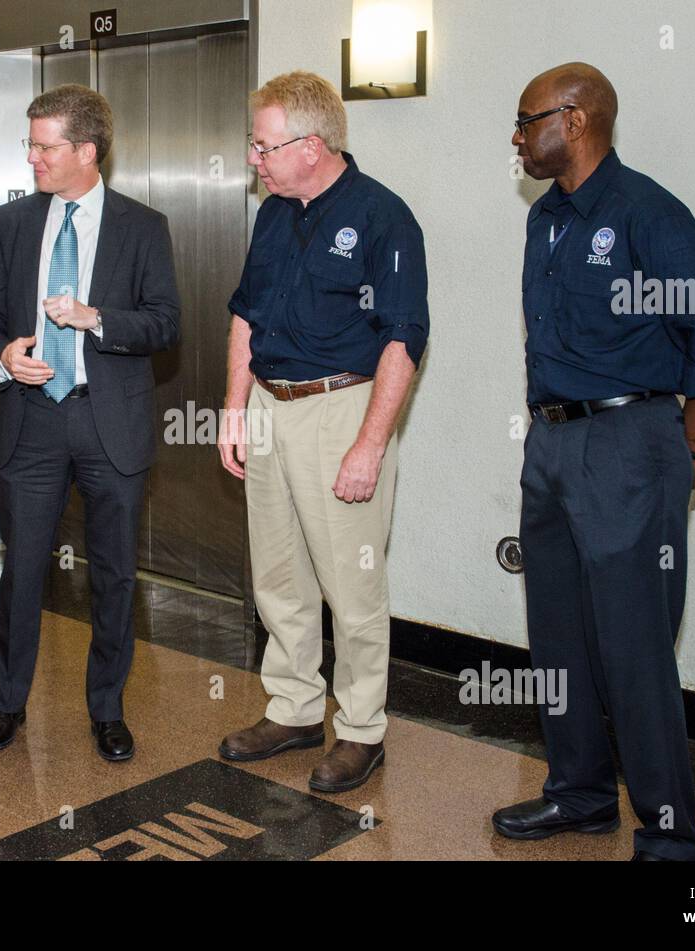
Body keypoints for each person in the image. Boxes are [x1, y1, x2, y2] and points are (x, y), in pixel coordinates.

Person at [492, 63, 695, 860]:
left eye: (527, 119)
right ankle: (580, 794)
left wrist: (688, 443)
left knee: (636, 648)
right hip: (552, 442)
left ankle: (670, 835)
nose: (517, 136)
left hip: (629, 441)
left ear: (574, 119)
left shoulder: (647, 215)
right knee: (558, 635)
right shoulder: (548, 221)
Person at [217, 71, 428, 793]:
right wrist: (234, 404)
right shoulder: (274, 214)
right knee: (279, 575)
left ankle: (362, 729)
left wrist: (369, 444)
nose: (254, 158)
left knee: (352, 583)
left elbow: (404, 337)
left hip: (344, 409)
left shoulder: (382, 218)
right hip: (272, 406)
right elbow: (245, 311)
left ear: (311, 146)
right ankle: (296, 706)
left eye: (264, 144)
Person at [0, 84, 180, 762]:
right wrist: (3, 352)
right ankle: (7, 702)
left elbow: (165, 322)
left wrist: (96, 319)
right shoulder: (13, 223)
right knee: (22, 568)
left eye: (44, 146)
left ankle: (108, 709)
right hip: (32, 422)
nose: (32, 158)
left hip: (107, 424)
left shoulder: (143, 227)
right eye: (30, 145)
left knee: (113, 574)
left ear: (86, 151)